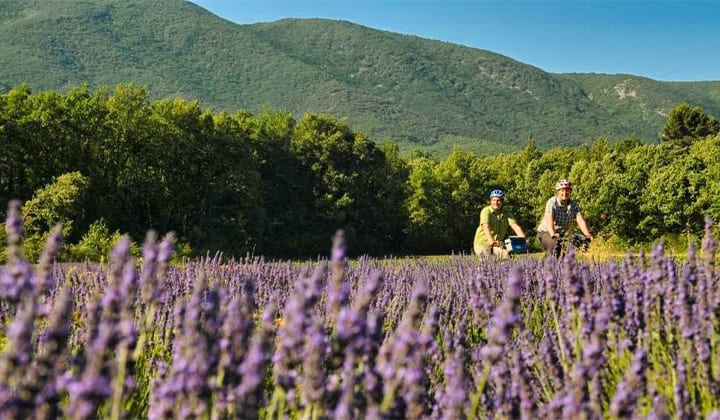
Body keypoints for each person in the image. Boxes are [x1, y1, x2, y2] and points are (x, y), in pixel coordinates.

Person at [536, 179, 593, 257]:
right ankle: (546, 266)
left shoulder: (573, 204)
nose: (565, 193)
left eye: (567, 190)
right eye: (562, 190)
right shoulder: (552, 202)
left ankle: (566, 267)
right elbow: (550, 221)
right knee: (554, 245)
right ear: (558, 191)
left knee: (574, 245)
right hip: (546, 232)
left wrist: (588, 235)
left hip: (561, 234)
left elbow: (580, 220)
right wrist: (553, 234)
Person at [473, 189, 527, 259]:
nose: (496, 202)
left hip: (497, 244)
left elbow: (515, 226)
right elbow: (486, 227)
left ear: (502, 202)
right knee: (487, 264)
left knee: (506, 257)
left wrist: (523, 239)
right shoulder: (486, 211)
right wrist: (492, 242)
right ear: (490, 201)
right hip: (482, 243)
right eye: (493, 200)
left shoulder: (506, 213)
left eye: (498, 200)